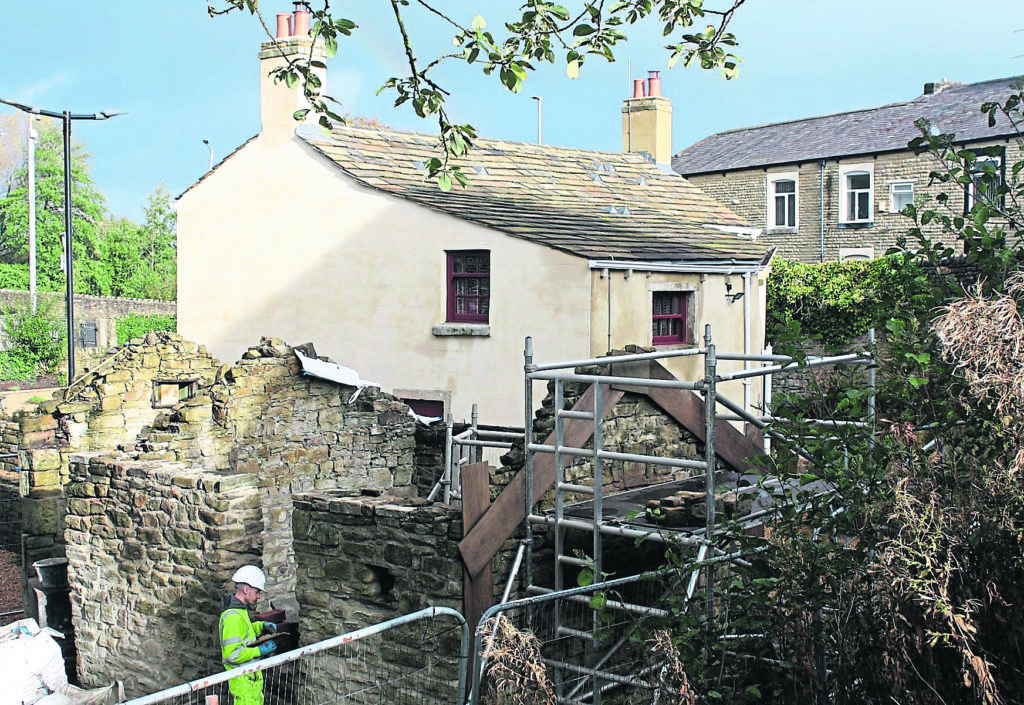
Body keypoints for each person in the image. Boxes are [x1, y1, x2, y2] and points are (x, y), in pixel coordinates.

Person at [219, 565, 279, 705]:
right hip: (243, 681)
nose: (258, 596)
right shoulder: (233, 617)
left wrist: (261, 627)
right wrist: (259, 650)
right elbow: (232, 654)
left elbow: (244, 632)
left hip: (249, 678)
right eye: (257, 592)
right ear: (246, 590)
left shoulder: (239, 611)